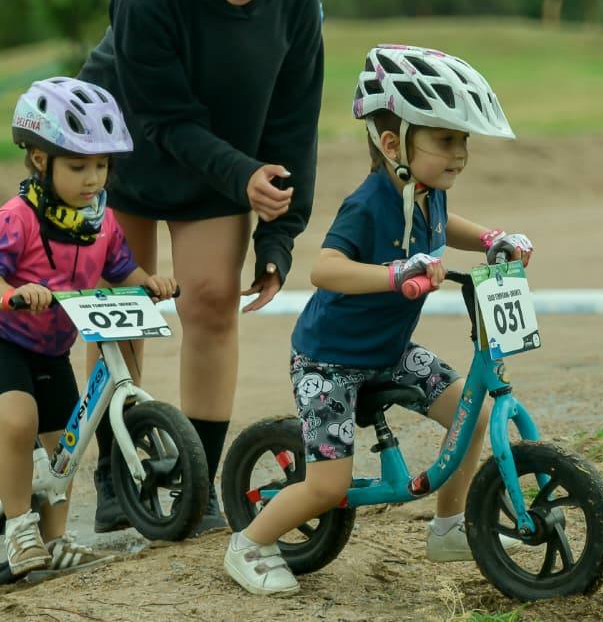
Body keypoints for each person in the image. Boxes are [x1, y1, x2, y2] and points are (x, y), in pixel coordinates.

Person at [222, 45, 535, 596]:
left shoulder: (428, 192)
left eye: (463, 141)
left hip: (389, 351)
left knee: (473, 415)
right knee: (327, 487)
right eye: (446, 140)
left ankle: (449, 527)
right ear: (393, 145)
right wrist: (394, 274)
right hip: (330, 361)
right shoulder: (367, 205)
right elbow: (325, 268)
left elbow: (445, 225)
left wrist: (491, 238)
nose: (460, 154)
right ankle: (248, 544)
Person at [78, 0, 324, 534]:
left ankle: (195, 482)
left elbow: (293, 124)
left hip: (221, 161)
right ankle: (116, 475)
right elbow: (162, 120)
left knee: (212, 301)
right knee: (122, 308)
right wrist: (242, 176)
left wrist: (279, 235)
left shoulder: (298, 1)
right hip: (120, 150)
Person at [0, 77, 178, 577]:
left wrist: (150, 282)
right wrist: (12, 294)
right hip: (1, 343)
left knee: (65, 445)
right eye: (78, 166)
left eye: (101, 166)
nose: (93, 179)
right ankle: (19, 529)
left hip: (52, 350)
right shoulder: (17, 218)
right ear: (41, 160)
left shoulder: (101, 222)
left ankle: (55, 539)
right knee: (19, 421)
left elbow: (122, 267)